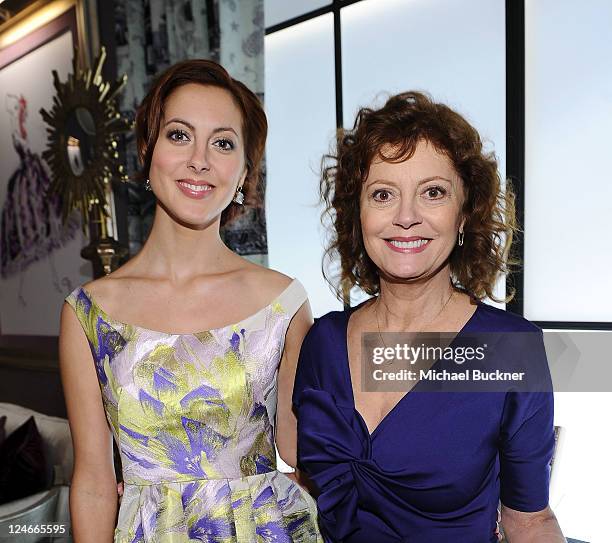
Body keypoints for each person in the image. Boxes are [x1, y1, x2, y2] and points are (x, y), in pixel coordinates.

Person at [60, 60, 321, 542]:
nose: (200, 160)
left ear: (244, 171)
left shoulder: (283, 303)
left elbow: (306, 450)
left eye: (223, 143)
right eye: (179, 135)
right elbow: (94, 483)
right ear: (148, 150)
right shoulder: (89, 313)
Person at [292, 92, 565, 542]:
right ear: (358, 214)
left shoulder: (509, 350)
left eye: (433, 193)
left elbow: (530, 521)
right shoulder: (322, 342)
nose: (406, 217)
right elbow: (307, 488)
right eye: (383, 194)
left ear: (464, 214)